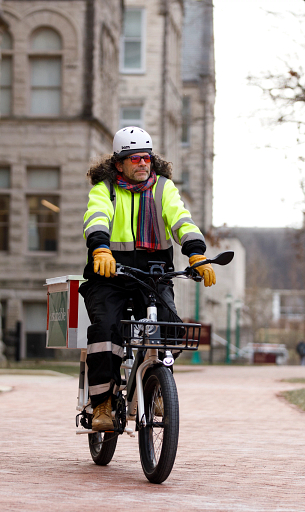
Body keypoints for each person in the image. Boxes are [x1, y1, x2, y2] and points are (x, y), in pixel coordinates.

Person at [79, 126, 216, 431]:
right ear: (119, 164)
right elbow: (96, 216)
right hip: (108, 274)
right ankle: (102, 404)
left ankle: (155, 385)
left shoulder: (163, 188)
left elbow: (181, 219)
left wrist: (196, 253)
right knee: (105, 331)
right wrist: (100, 249)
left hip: (154, 275)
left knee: (171, 326)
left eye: (147, 158)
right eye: (135, 158)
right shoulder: (105, 190)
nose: (143, 163)